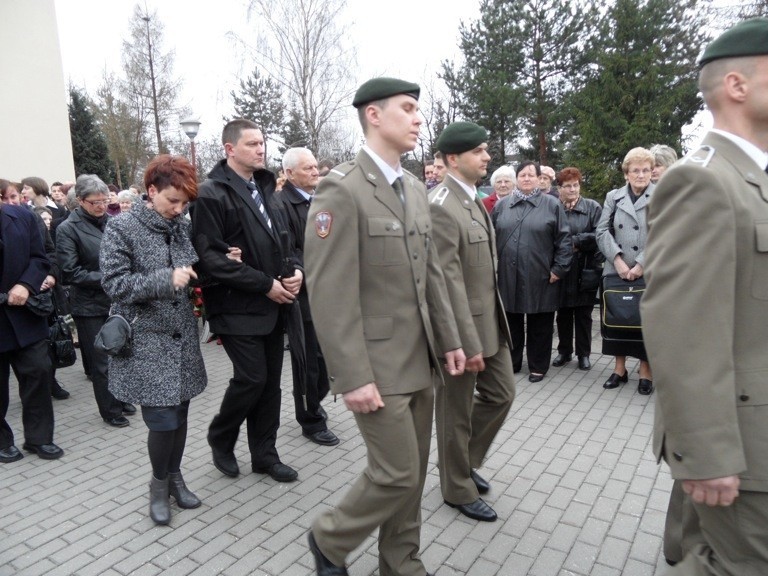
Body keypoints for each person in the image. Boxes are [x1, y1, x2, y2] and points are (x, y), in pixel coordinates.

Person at [304, 77, 465, 576]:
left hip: (420, 361)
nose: (419, 119)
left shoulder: (415, 189)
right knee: (395, 473)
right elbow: (329, 292)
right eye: (408, 108)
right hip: (375, 365)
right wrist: (351, 376)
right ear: (374, 115)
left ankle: (401, 563)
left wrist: (451, 340)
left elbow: (430, 275)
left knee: (411, 476)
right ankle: (329, 539)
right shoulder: (342, 188)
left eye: (419, 110)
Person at [642, 19, 768, 574]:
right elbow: (683, 329)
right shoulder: (702, 181)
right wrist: (708, 454)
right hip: (744, 447)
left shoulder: (751, 179)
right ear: (736, 85)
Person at [191, 118, 302, 483]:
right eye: (253, 144)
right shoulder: (211, 193)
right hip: (236, 306)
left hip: (274, 304)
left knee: (270, 383)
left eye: (262, 143)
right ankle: (221, 436)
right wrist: (264, 284)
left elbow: (286, 242)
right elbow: (211, 258)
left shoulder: (267, 188)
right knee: (252, 378)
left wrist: (297, 271)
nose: (261, 149)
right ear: (229, 149)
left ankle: (265, 456)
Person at [101, 154, 206, 526]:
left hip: (182, 341)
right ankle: (158, 486)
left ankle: (176, 478)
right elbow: (113, 283)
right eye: (172, 201)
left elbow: (189, 266)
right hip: (147, 344)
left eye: (184, 203)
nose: (179, 210)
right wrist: (165, 280)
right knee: (162, 422)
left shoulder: (179, 226)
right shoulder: (122, 227)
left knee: (179, 416)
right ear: (150, 191)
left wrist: (202, 269)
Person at [429, 122, 515, 523]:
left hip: (488, 322)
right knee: (455, 412)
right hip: (461, 333)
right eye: (478, 151)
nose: (487, 157)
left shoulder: (472, 198)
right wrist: (463, 341)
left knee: (501, 394)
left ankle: (461, 463)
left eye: (486, 150)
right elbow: (445, 283)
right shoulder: (441, 204)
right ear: (452, 159)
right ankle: (456, 487)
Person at [56, 174, 134, 427]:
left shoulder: (112, 222)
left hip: (117, 300)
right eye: (95, 202)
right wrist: (110, 277)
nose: (101, 206)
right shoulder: (68, 228)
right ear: (80, 201)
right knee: (102, 361)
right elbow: (69, 272)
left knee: (123, 353)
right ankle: (110, 410)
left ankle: (122, 398)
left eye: (104, 200)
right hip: (89, 305)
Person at [276, 147, 339, 447]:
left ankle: (312, 399)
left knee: (328, 360)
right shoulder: (281, 205)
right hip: (303, 295)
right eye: (308, 168)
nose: (316, 172)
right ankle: (311, 420)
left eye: (316, 167)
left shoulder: (322, 200)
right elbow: (287, 250)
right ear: (289, 173)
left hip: (329, 292)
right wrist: (301, 267)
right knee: (309, 361)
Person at [492, 160, 572, 383]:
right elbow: (491, 238)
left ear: (539, 178)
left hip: (542, 276)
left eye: (531, 175)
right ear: (517, 179)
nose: (526, 178)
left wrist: (559, 269)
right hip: (508, 276)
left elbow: (564, 240)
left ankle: (538, 365)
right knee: (511, 322)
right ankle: (513, 362)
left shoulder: (552, 205)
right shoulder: (502, 206)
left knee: (540, 324)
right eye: (522, 175)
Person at [0, 200, 63, 463]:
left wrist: (26, 285)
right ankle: (2, 441)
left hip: (25, 313)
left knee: (38, 371)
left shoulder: (22, 216)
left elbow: (40, 257)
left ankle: (39, 438)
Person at [595, 147, 655, 395]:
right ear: (626, 174)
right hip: (616, 269)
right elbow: (601, 230)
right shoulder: (613, 197)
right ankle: (619, 369)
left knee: (645, 322)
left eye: (646, 170)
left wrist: (641, 263)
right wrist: (618, 260)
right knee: (618, 319)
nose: (641, 175)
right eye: (635, 170)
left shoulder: (661, 195)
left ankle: (645, 372)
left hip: (649, 269)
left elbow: (664, 232)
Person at [552, 167, 603, 371]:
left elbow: (599, 235)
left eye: (576, 185)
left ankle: (584, 354)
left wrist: (575, 242)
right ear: (559, 188)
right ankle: (564, 351)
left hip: (585, 269)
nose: (573, 189)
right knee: (563, 314)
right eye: (568, 186)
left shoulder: (592, 207)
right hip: (562, 270)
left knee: (584, 315)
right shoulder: (554, 207)